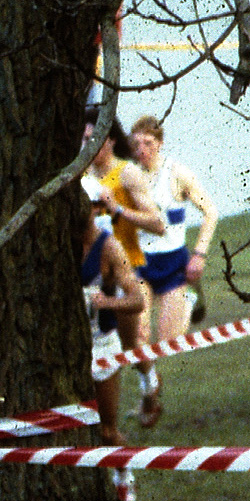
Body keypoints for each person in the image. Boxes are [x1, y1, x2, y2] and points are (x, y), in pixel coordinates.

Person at [126, 114, 221, 426]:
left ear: (160, 144)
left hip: (174, 265)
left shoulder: (177, 174)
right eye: (136, 143)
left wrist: (200, 254)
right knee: (138, 334)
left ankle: (190, 299)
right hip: (139, 265)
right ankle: (149, 393)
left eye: (148, 143)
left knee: (167, 342)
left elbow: (210, 212)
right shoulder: (126, 175)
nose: (142, 149)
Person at [84, 119, 167, 427]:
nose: (88, 147)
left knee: (133, 346)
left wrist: (117, 209)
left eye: (94, 139)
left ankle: (150, 386)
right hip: (93, 275)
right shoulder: (82, 177)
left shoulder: (127, 173)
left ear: (110, 141)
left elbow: (158, 224)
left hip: (126, 269)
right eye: (84, 140)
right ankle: (103, 421)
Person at [80, 182, 144, 455]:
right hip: (70, 351)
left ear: (96, 208)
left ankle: (124, 482)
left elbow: (138, 299)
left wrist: (108, 302)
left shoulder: (109, 247)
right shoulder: (58, 244)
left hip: (101, 345)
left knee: (106, 431)